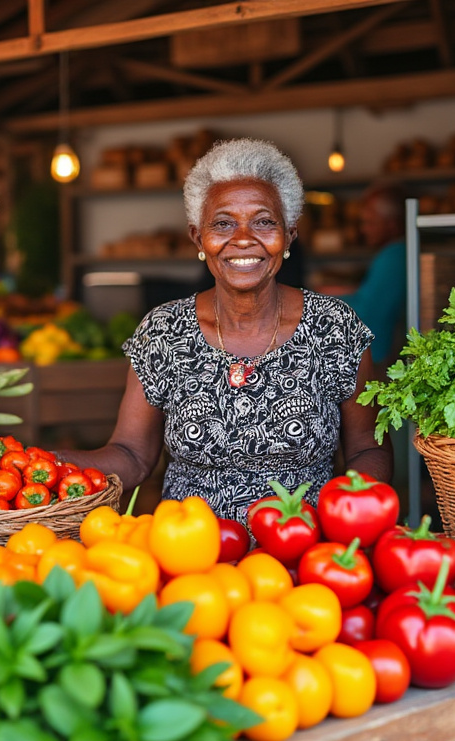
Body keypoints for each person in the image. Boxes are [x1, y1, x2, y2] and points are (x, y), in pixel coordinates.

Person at [57, 138, 391, 525]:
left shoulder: (335, 328)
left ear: (289, 236)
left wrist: (350, 516)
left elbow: (368, 448)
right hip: (188, 553)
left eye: (264, 221)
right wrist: (49, 461)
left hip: (305, 551)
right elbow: (132, 455)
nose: (244, 238)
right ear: (199, 238)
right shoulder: (164, 331)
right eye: (223, 223)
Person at [341, 184, 408, 363]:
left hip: (382, 362)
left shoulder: (393, 256)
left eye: (370, 222)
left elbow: (367, 311)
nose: (363, 230)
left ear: (392, 224)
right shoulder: (397, 253)